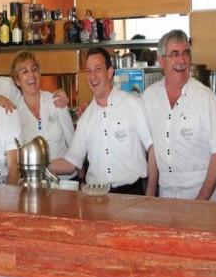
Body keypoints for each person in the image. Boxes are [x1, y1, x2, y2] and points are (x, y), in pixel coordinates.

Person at [141, 29, 216, 201]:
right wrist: (150, 195)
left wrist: (201, 201)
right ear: (161, 60)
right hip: (167, 196)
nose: (182, 60)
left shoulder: (205, 98)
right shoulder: (149, 98)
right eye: (175, 54)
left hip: (203, 195)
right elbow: (154, 149)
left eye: (186, 53)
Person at [49, 47, 157, 195]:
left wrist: (150, 194)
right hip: (97, 197)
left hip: (132, 195)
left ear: (110, 72)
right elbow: (71, 163)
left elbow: (152, 148)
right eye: (88, 71)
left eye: (98, 69)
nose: (92, 77)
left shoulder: (132, 104)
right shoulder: (85, 119)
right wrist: (37, 165)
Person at [10, 51, 74, 164]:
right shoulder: (15, 112)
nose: (31, 75)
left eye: (34, 69)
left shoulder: (56, 100)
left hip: (65, 173)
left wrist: (80, 172)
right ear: (17, 80)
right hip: (33, 174)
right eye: (25, 71)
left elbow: (73, 142)